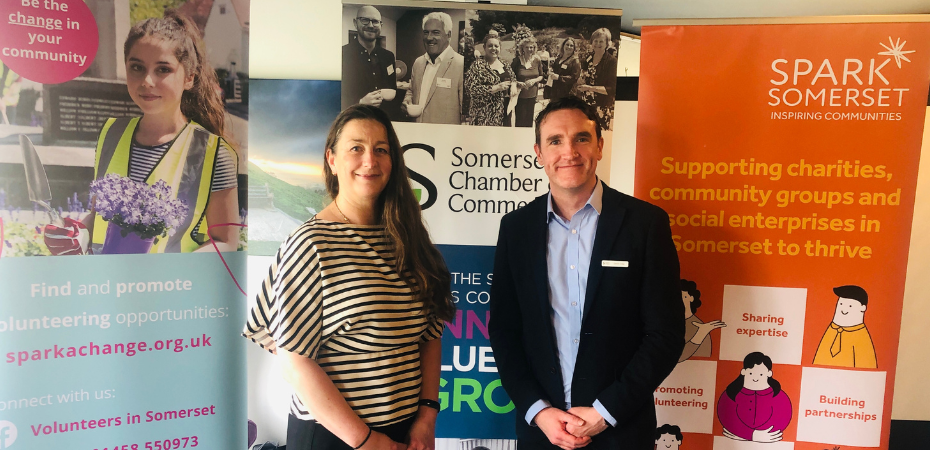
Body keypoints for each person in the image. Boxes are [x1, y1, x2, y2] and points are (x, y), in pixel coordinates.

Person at [243, 105, 455, 450]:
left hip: (406, 430)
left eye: (381, 149)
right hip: (336, 436)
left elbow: (430, 334)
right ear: (332, 159)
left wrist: (427, 417)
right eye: (356, 148)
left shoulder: (409, 238)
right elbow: (294, 360)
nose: (370, 160)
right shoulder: (310, 244)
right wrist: (367, 441)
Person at [489, 96, 684, 449]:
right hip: (542, 432)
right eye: (555, 141)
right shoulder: (515, 229)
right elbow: (504, 331)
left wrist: (605, 412)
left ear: (599, 147)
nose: (569, 152)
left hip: (620, 430)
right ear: (539, 152)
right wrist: (539, 412)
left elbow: (665, 335)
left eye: (581, 138)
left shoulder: (645, 224)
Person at [43, 9, 239, 255]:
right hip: (105, 285)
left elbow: (227, 241)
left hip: (169, 289)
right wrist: (75, 235)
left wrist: (164, 276)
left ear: (189, 77)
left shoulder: (214, 152)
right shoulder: (111, 133)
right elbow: (99, 217)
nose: (147, 80)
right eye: (137, 67)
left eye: (162, 69)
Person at [403, 12, 464, 124]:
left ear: (448, 35)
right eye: (426, 33)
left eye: (436, 32)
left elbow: (465, 112)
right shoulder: (418, 62)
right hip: (417, 130)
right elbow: (411, 90)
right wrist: (407, 101)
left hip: (444, 136)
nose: (429, 38)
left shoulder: (461, 64)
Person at [717, 352, 792, 443]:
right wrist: (751, 435)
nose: (755, 378)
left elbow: (783, 417)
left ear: (769, 373)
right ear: (743, 372)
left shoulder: (778, 395)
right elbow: (726, 417)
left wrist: (743, 436)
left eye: (761, 374)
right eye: (751, 373)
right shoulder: (732, 392)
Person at [341, 5, 399, 118]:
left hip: (382, 119)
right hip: (355, 119)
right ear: (355, 23)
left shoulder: (388, 56)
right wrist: (361, 103)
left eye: (375, 21)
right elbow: (335, 97)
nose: (371, 25)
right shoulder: (343, 54)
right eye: (365, 20)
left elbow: (392, 89)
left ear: (381, 25)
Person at [813, 285, 877, 368]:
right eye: (841, 304)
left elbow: (866, 366)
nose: (844, 310)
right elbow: (820, 355)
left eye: (850, 306)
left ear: (862, 308)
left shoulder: (861, 336)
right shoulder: (832, 329)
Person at [465, 35, 514, 127]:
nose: (493, 48)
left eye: (496, 46)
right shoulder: (477, 66)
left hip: (505, 111)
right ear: (484, 47)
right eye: (490, 46)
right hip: (485, 114)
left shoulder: (505, 64)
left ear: (500, 48)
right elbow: (470, 89)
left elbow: (513, 78)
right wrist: (495, 88)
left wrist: (515, 85)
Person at [577, 28, 618, 131]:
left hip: (601, 107)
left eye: (601, 41)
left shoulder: (611, 62)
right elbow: (583, 75)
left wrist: (590, 88)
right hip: (586, 105)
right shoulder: (588, 58)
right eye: (595, 41)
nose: (598, 44)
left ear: (607, 43)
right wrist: (580, 80)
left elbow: (611, 89)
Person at [679, 279, 726, 363]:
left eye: (684, 297)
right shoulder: (702, 329)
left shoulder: (699, 326)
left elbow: (676, 358)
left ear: (691, 298)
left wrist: (701, 333)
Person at [509, 26, 544, 127]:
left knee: (529, 121)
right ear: (522, 48)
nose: (529, 49)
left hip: (532, 95)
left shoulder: (537, 60)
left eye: (531, 47)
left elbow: (541, 76)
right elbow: (511, 76)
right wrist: (518, 83)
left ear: (534, 48)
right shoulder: (516, 61)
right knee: (520, 120)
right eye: (527, 47)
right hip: (520, 96)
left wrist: (534, 80)